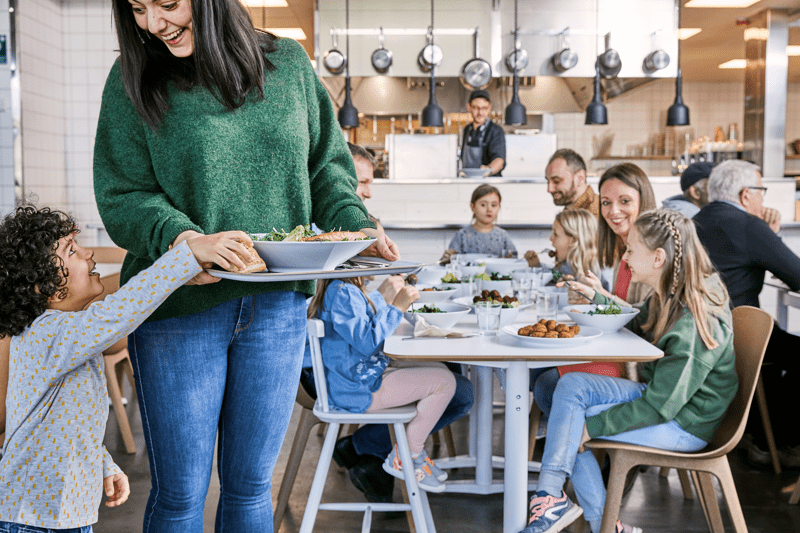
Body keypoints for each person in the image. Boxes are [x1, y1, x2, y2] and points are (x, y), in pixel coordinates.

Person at [93, 2, 398, 531]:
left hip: (277, 307)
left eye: (167, 3)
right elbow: (124, 192)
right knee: (181, 495)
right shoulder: (132, 80)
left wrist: (355, 223)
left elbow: (326, 167)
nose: (153, 23)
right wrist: (186, 242)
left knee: (251, 488)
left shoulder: (289, 65)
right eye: (139, 9)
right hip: (178, 309)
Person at [0, 205, 257, 532]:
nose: (88, 252)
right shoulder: (46, 335)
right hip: (29, 519)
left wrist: (102, 465)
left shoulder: (65, 333)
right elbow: (119, 311)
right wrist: (185, 257)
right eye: (72, 251)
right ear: (42, 286)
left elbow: (61, 426)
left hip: (63, 517)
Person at [519, 209, 737, 533]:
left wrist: (594, 426)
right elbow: (634, 323)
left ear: (658, 257)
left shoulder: (695, 320)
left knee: (572, 421)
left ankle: (561, 505)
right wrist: (597, 300)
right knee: (571, 389)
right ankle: (564, 505)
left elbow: (662, 406)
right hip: (664, 398)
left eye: (632, 249)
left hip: (684, 423)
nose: (625, 256)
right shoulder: (671, 290)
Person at [299, 273, 474, 502]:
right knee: (445, 382)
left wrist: (383, 298)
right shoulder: (344, 292)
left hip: (357, 378)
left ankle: (407, 452)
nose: (386, 258)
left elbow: (361, 329)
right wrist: (397, 307)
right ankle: (407, 455)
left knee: (441, 369)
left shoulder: (344, 288)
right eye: (376, 250)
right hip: (357, 389)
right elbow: (367, 340)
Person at [693, 159, 800, 467]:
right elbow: (796, 274)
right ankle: (781, 442)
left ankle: (757, 436)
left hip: (699, 335)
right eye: (760, 190)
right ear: (744, 195)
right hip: (737, 337)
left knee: (779, 347)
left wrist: (768, 235)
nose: (762, 199)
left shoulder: (695, 221)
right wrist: (767, 235)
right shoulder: (747, 225)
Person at [566, 163, 657, 308]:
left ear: (643, 200)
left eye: (625, 201)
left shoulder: (654, 254)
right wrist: (594, 296)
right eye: (606, 202)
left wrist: (601, 295)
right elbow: (621, 311)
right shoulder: (621, 247)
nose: (613, 211)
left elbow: (645, 321)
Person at [524, 149, 599, 268]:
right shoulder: (570, 210)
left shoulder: (595, 214)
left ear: (580, 178)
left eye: (556, 181)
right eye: (548, 181)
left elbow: (591, 270)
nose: (550, 189)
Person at [441, 184, 517, 263]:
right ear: (473, 207)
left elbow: (514, 261)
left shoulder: (502, 235)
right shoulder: (461, 235)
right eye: (483, 205)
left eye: (494, 205)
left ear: (499, 207)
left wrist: (511, 259)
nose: (489, 209)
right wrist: (447, 259)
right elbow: (450, 263)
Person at [460, 90, 506, 177]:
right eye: (476, 108)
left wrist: (488, 170)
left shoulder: (496, 131)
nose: (480, 113)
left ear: (489, 108)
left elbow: (499, 161)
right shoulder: (467, 129)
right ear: (468, 107)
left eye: (484, 108)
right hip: (468, 180)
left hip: (488, 182)